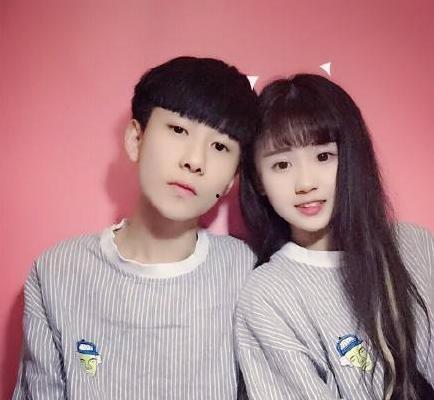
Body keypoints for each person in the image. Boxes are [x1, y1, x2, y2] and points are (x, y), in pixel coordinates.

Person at [13, 56, 258, 399]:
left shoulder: (245, 272)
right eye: (178, 130)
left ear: (232, 179)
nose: (195, 160)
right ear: (135, 139)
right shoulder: (57, 271)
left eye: (219, 146)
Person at [236, 74, 434, 399]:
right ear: (259, 181)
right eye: (282, 165)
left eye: (323, 156)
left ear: (353, 157)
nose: (306, 183)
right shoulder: (268, 293)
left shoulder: (414, 246)